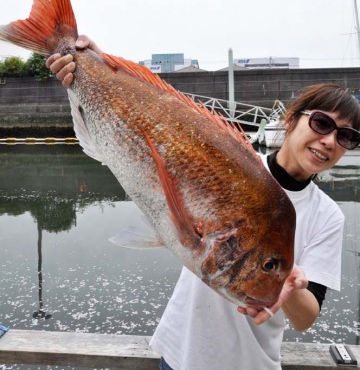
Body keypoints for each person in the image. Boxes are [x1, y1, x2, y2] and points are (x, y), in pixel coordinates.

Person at [46, 38, 360, 370]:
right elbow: (154, 135)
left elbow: (306, 317)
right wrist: (97, 62)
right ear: (291, 120)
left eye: (347, 136)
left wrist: (289, 283)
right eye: (322, 123)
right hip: (179, 351)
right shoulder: (233, 161)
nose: (329, 141)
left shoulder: (328, 216)